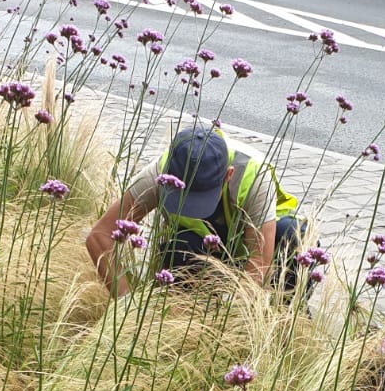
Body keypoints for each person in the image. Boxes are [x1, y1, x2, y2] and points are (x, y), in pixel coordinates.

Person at [86, 124, 302, 298]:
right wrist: (129, 303)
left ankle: (285, 323)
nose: (193, 211)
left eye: (200, 200)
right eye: (183, 199)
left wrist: (228, 323)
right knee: (181, 245)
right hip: (200, 248)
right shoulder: (159, 174)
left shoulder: (254, 175)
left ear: (228, 175)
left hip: (256, 247)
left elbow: (258, 264)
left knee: (292, 235)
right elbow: (99, 236)